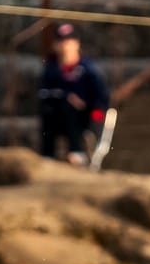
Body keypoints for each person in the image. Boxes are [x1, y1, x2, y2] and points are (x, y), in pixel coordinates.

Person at [37, 23, 109, 165]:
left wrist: (94, 114)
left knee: (68, 107)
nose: (65, 46)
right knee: (48, 108)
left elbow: (101, 99)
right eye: (61, 41)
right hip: (56, 117)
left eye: (69, 41)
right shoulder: (51, 69)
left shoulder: (89, 69)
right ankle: (47, 154)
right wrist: (66, 96)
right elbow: (44, 92)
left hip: (84, 118)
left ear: (77, 43)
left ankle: (76, 152)